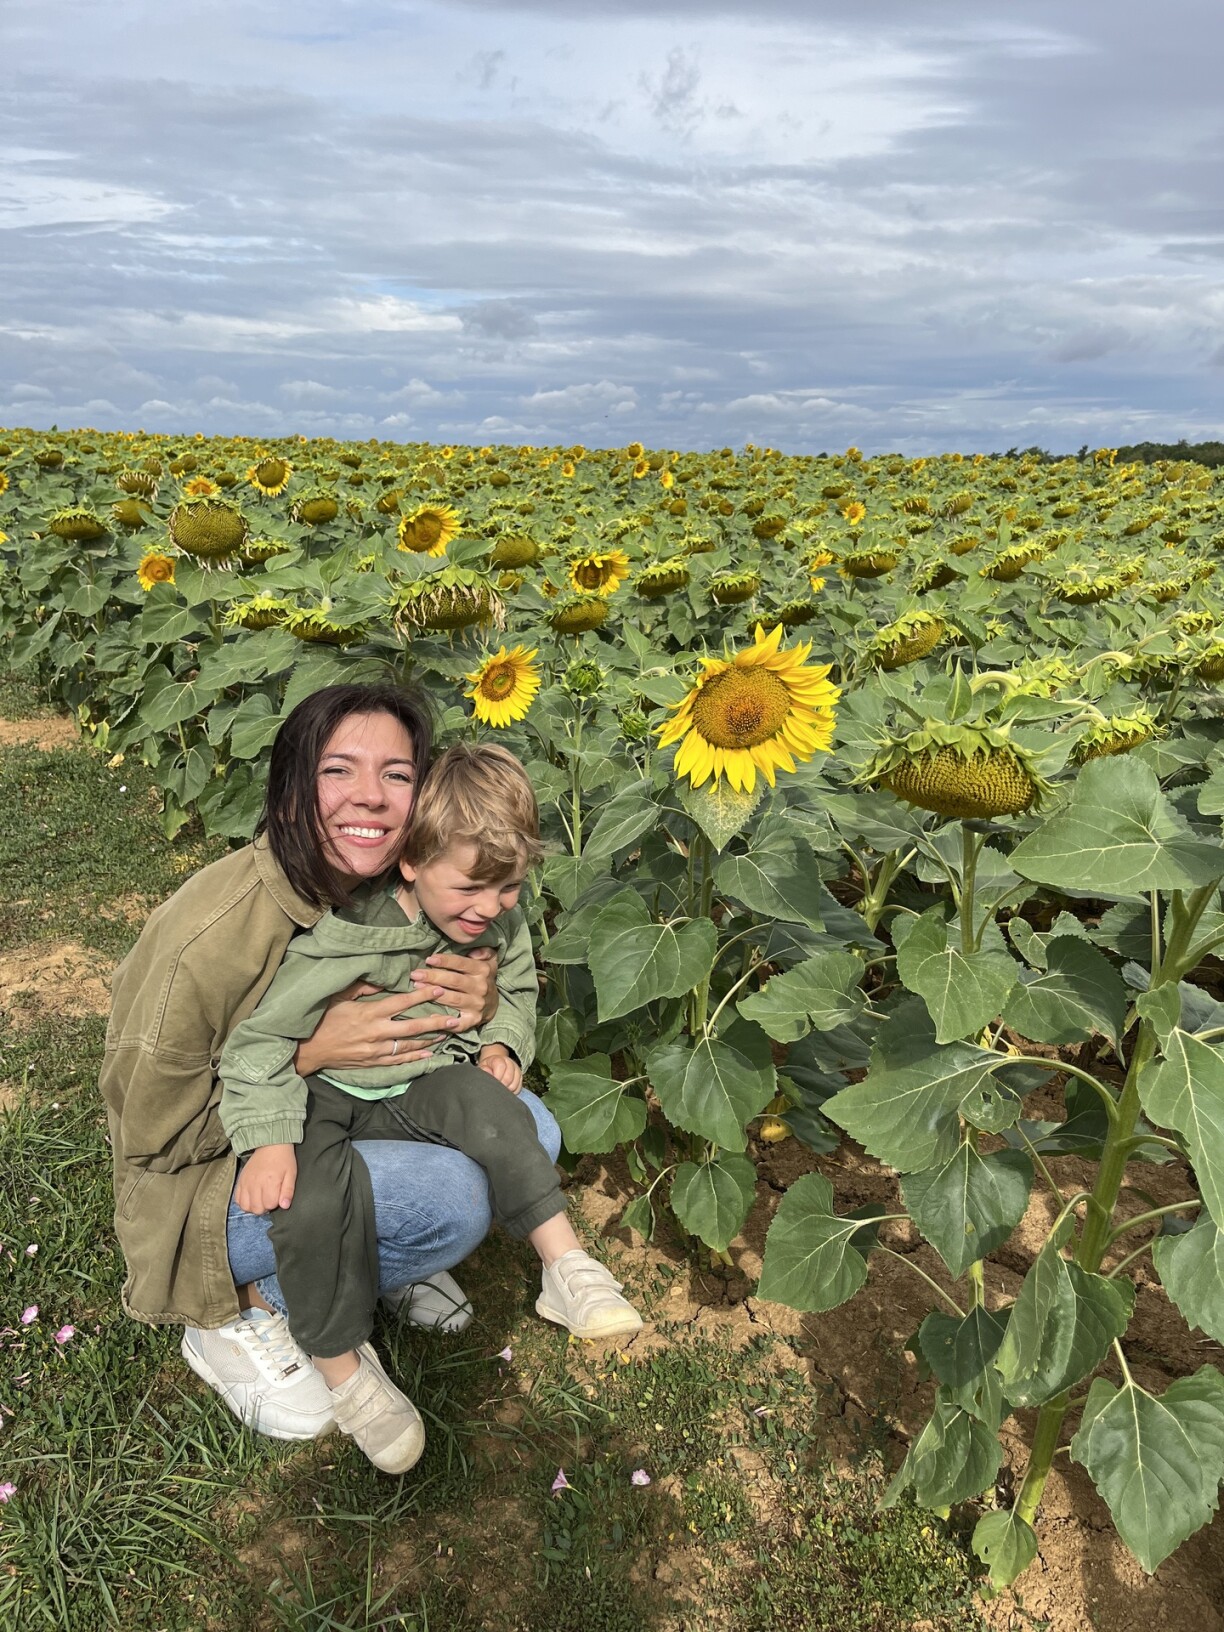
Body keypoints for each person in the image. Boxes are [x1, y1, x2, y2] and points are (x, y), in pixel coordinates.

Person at [100, 682, 562, 1445]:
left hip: (345, 1116)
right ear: (289, 789)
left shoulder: (389, 883)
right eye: (338, 770)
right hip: (203, 1181)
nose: (372, 798)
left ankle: (351, 1264)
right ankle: (240, 1304)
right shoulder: (206, 941)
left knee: (528, 1128)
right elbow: (153, 1138)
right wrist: (311, 1052)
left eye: (398, 774)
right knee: (452, 1195)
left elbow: (484, 952)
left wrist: (480, 1005)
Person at [219, 743, 642, 1473]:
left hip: (419, 1080)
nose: (494, 907)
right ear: (412, 861)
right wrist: (266, 1140)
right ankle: (345, 1375)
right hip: (325, 1094)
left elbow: (515, 986)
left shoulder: (495, 924)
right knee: (312, 1197)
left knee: (499, 1111)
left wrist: (503, 1043)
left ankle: (566, 1268)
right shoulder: (349, 933)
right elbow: (260, 1040)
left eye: (510, 888)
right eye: (475, 888)